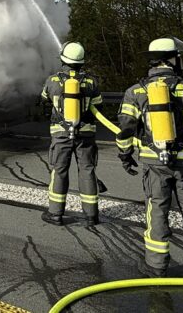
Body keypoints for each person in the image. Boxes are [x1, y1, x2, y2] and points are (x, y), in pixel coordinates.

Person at [116, 37, 183, 278]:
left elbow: (126, 128)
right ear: (173, 59)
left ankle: (156, 266)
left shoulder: (136, 91)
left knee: (157, 209)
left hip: (155, 163)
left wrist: (125, 154)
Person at [40, 42, 117, 227]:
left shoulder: (53, 80)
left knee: (59, 171)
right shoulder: (91, 81)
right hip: (86, 135)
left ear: (63, 58)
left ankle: (55, 214)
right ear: (82, 60)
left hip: (61, 134)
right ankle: (91, 216)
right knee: (87, 170)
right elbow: (97, 106)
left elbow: (43, 100)